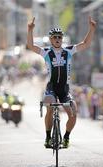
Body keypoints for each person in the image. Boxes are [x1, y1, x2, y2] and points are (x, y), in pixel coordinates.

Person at [27, 16, 96, 148]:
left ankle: (66, 137)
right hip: (51, 87)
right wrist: (30, 30)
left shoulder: (68, 50)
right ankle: (48, 137)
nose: (57, 39)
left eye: (59, 37)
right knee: (49, 106)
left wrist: (91, 29)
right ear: (51, 39)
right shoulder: (46, 52)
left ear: (62, 39)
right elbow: (30, 46)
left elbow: (86, 44)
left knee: (73, 113)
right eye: (55, 37)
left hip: (64, 88)